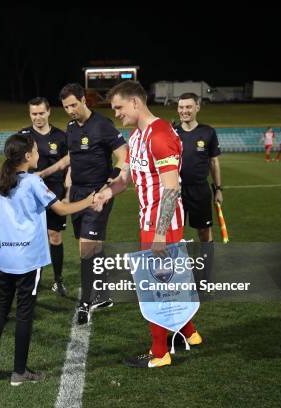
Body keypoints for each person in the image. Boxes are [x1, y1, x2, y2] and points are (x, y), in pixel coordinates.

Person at [0, 133, 96, 385]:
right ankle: (19, 372)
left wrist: (9, 221)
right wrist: (89, 201)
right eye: (36, 151)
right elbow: (60, 209)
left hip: (4, 258)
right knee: (24, 314)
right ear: (27, 156)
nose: (39, 154)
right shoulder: (32, 182)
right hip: (28, 259)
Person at [95, 80, 202, 368]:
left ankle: (160, 353)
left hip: (163, 226)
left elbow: (171, 189)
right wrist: (107, 193)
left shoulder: (160, 135)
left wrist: (158, 234)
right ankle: (190, 333)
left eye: (119, 107)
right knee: (167, 283)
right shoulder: (136, 137)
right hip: (150, 222)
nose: (116, 113)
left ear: (135, 103)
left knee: (157, 287)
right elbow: (126, 180)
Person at [37, 83, 126, 325]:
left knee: (85, 248)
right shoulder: (70, 127)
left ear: (84, 100)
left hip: (98, 194)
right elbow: (72, 157)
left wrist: (113, 175)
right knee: (92, 246)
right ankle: (104, 294)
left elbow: (124, 153)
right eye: (66, 107)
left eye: (74, 105)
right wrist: (48, 173)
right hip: (77, 194)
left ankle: (85, 302)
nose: (70, 110)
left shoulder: (103, 125)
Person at [19, 97, 69, 296]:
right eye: (34, 114)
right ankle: (31, 279)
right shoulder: (23, 136)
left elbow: (69, 165)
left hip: (55, 191)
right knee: (31, 236)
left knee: (54, 236)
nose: (38, 117)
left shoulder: (61, 136)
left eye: (41, 113)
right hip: (29, 193)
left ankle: (58, 280)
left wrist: (68, 193)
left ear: (49, 112)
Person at [175, 92, 222, 286]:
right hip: (175, 191)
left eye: (188, 107)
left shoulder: (208, 132)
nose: (184, 111)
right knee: (175, 233)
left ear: (197, 108)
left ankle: (205, 276)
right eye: (181, 107)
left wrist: (218, 189)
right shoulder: (172, 132)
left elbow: (214, 162)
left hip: (200, 190)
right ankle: (176, 275)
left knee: (204, 232)